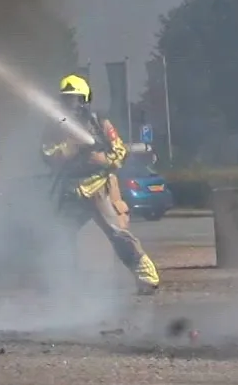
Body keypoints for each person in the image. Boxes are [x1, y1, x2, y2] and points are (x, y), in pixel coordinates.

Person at [43, 74, 161, 295]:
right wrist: (70, 148)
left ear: (85, 99)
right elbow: (47, 154)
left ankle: (147, 277)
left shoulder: (100, 124)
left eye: (76, 98)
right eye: (67, 99)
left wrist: (102, 160)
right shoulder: (55, 127)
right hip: (71, 190)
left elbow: (120, 152)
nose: (72, 104)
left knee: (118, 234)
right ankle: (64, 285)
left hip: (99, 187)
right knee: (60, 236)